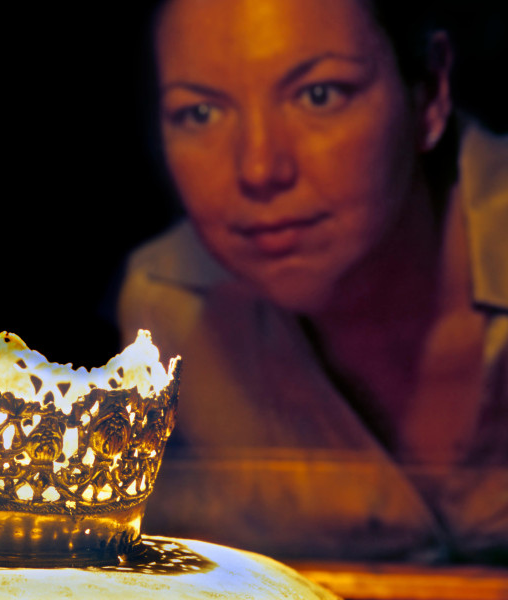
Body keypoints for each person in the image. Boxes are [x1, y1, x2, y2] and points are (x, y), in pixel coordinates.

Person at [119, 0, 507, 564]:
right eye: (200, 113)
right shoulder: (172, 310)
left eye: (319, 95)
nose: (259, 170)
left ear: (428, 93)